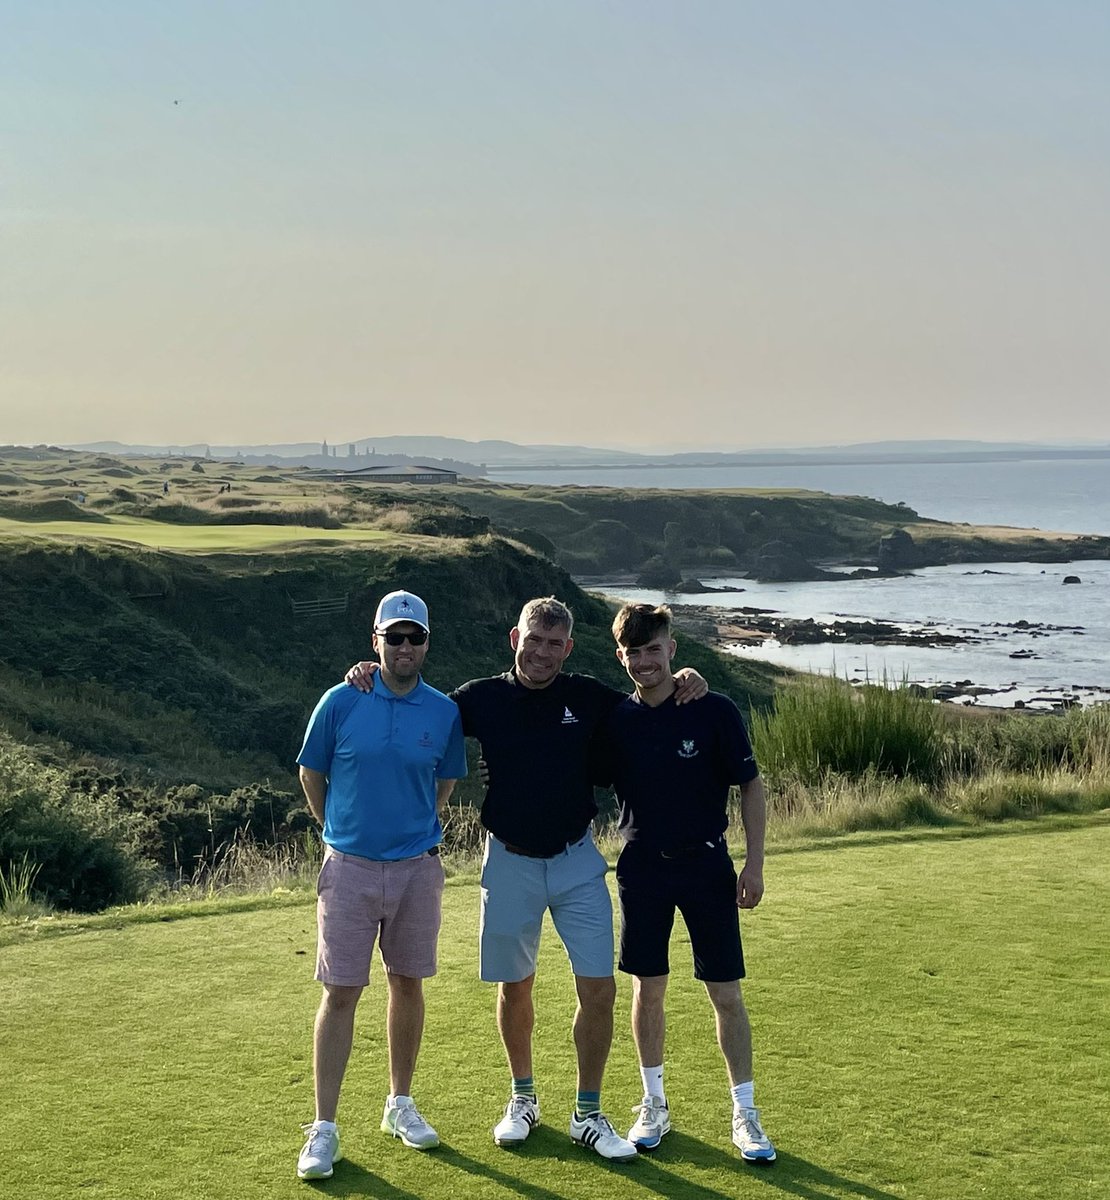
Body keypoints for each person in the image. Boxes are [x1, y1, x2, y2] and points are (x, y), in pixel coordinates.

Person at [344, 596, 707, 1162]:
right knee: (517, 985)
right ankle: (523, 1099)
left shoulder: (589, 697)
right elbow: (415, 704)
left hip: (577, 860)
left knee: (599, 986)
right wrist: (367, 672)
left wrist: (688, 678)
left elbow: (650, 702)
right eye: (533, 640)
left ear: (568, 648)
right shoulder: (479, 698)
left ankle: (588, 1112)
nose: (541, 652)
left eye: (553, 644)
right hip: (509, 861)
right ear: (516, 638)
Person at [295, 590, 467, 1181]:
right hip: (349, 868)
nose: (403, 647)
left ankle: (400, 1104)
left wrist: (409, 832)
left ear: (426, 644)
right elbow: (310, 773)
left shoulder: (443, 711)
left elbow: (443, 785)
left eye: (414, 637)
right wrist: (334, 829)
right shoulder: (342, 700)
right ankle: (324, 1128)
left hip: (417, 868)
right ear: (375, 641)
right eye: (393, 637)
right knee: (340, 992)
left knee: (407, 985)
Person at [600, 602, 776, 1165]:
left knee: (725, 992)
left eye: (655, 650)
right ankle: (653, 1104)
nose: (644, 661)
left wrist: (755, 864)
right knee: (646, 989)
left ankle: (745, 1113)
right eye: (633, 652)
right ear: (621, 655)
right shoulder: (616, 718)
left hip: (707, 866)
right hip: (641, 867)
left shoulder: (713, 709)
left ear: (673, 649)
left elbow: (751, 786)